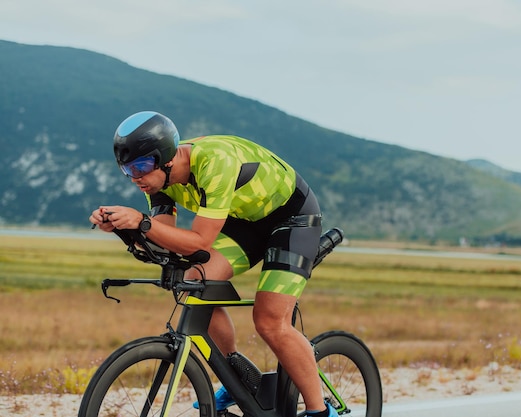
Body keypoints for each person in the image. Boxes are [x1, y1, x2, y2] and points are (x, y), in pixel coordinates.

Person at [89, 111, 337, 417]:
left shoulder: (214, 162)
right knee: (195, 280)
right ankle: (237, 380)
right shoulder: (157, 182)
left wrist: (141, 221)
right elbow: (165, 241)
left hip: (291, 219)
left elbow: (198, 242)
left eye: (140, 167)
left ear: (166, 158)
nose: (135, 177)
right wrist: (125, 229)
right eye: (127, 170)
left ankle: (320, 411)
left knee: (270, 320)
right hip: (245, 222)